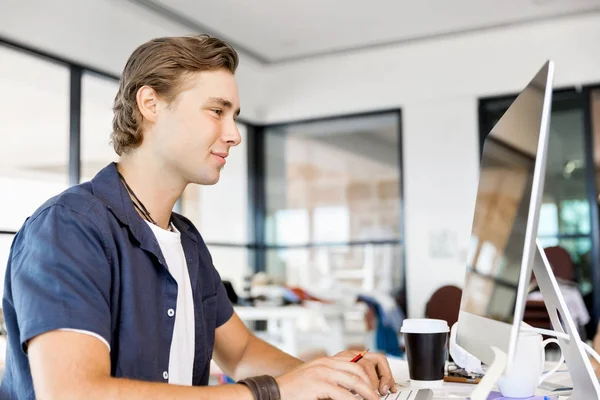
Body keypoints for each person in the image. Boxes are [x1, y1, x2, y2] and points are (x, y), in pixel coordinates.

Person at [0, 34, 397, 400]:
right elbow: (74, 393)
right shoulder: (68, 228)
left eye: (234, 115)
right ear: (150, 104)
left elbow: (240, 352)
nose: (234, 134)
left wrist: (330, 374)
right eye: (217, 111)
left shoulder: (185, 240)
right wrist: (266, 392)